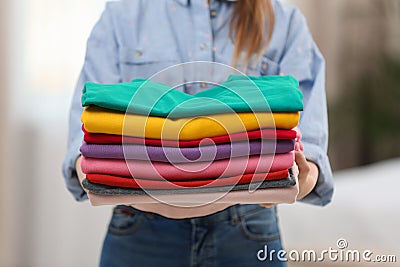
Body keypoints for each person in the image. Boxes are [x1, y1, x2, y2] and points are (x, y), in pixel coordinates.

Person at [62, 0, 334, 266]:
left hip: (248, 231)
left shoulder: (284, 24)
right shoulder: (123, 14)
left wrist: (292, 180)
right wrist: (104, 176)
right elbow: (86, 138)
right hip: (139, 232)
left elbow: (308, 150)